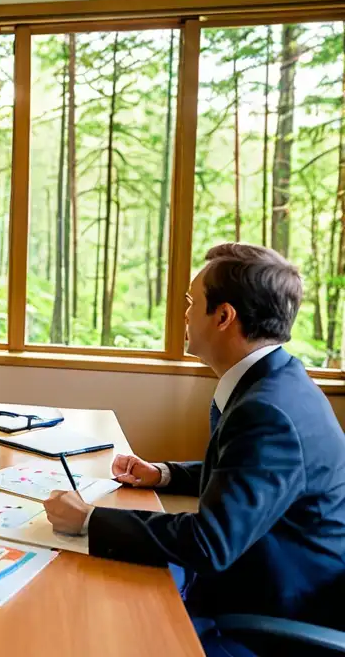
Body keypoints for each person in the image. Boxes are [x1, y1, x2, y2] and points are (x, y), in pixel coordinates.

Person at [44, 243, 345, 649]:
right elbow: (246, 475)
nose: (184, 313)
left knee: (94, 625)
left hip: (269, 609)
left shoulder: (267, 410)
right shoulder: (278, 381)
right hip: (256, 572)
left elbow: (210, 542)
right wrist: (164, 474)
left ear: (223, 316)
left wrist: (88, 520)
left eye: (191, 301)